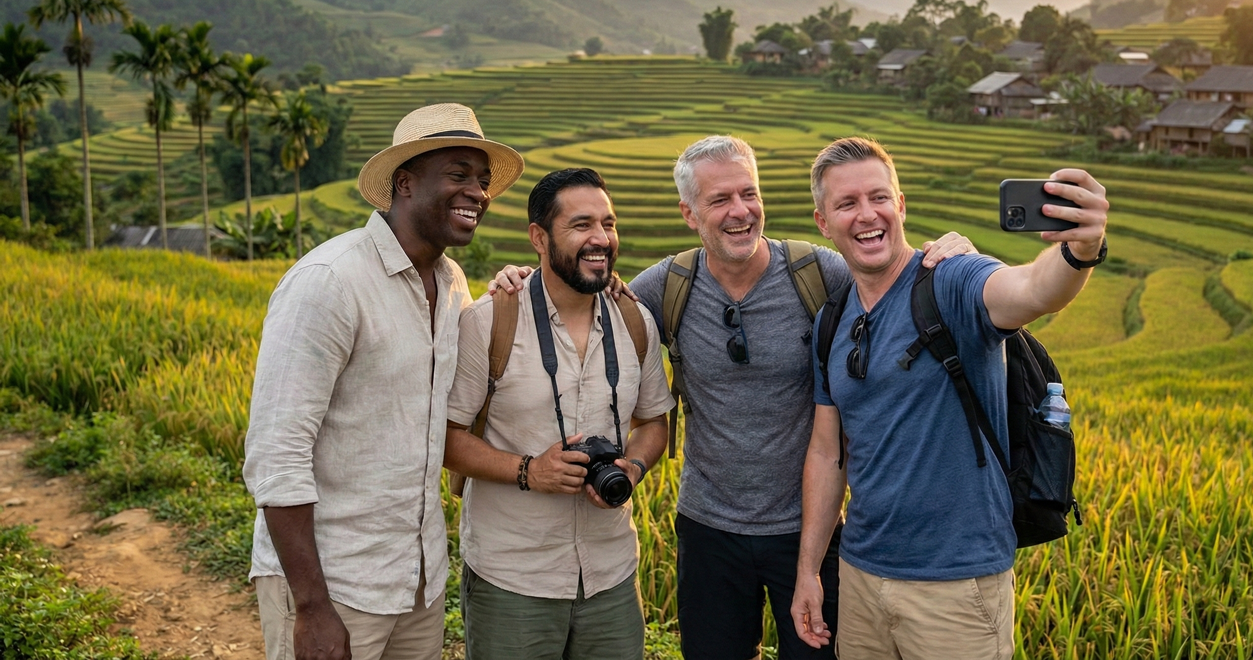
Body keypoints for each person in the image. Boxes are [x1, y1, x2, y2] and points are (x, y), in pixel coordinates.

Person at [625, 135, 975, 660]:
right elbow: (593, 305)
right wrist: (521, 282)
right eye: (719, 200)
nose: (740, 211)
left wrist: (952, 256)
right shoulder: (666, 287)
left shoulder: (818, 275)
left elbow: (894, 276)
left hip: (810, 532)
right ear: (689, 214)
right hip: (708, 528)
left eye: (749, 193)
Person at [790, 137, 1109, 660]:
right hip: (862, 575)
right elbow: (828, 453)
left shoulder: (950, 280)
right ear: (824, 222)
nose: (866, 215)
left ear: (901, 205)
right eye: (846, 204)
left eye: (879, 197)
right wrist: (809, 571)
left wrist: (1080, 248)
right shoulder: (832, 320)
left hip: (957, 588)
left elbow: (1031, 290)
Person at [242, 103, 523, 660]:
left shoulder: (450, 281)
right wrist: (314, 608)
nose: (477, 193)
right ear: (405, 182)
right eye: (459, 175)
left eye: (483, 180)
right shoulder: (329, 282)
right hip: (335, 585)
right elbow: (276, 456)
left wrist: (514, 298)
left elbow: (464, 389)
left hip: (417, 582)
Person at [444, 168, 674, 660]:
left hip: (611, 573)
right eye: (581, 225)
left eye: (608, 224)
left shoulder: (634, 320)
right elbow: (446, 438)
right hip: (513, 579)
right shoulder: (490, 320)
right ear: (539, 238)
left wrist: (631, 469)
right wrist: (530, 471)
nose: (601, 239)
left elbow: (655, 422)